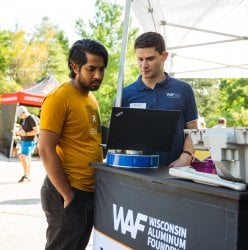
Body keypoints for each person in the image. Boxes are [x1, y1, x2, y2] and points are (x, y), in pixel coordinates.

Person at [39, 38, 108, 250]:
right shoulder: (59, 97)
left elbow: (89, 140)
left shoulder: (90, 98)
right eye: (91, 69)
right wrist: (67, 194)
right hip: (66, 192)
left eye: (102, 69)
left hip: (88, 191)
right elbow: (45, 149)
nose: (98, 76)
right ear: (75, 66)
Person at [121, 32, 198, 167]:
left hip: (173, 172)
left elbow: (193, 131)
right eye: (140, 59)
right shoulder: (125, 94)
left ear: (164, 56)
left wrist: (186, 156)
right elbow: (118, 140)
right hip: (136, 172)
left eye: (150, 59)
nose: (144, 65)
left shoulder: (184, 90)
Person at [16, 105, 39, 183]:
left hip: (30, 141)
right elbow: (21, 128)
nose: (20, 117)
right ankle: (27, 175)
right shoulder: (23, 119)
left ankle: (26, 175)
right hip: (24, 140)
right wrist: (18, 132)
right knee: (26, 158)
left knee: (23, 157)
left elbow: (36, 131)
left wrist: (25, 134)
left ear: (24, 112)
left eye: (20, 115)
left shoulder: (31, 118)